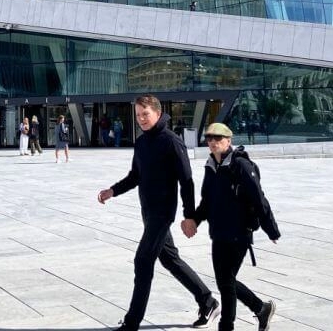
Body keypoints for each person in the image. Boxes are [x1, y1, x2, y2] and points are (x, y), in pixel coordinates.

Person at [97, 95, 218, 331]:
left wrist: (189, 215)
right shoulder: (142, 142)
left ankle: (132, 323)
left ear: (158, 113)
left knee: (143, 261)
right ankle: (208, 302)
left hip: (163, 214)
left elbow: (187, 181)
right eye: (138, 115)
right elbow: (135, 176)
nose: (141, 119)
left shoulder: (171, 142)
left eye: (145, 114)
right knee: (170, 260)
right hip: (148, 212)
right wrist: (113, 190)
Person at [183, 123, 279, 331]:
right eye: (209, 138)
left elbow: (259, 199)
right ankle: (261, 308)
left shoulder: (241, 166)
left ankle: (227, 326)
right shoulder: (211, 166)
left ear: (229, 140)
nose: (213, 142)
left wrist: (271, 229)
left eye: (218, 138)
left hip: (239, 233)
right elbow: (207, 202)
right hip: (218, 233)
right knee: (226, 282)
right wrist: (195, 221)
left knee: (226, 282)